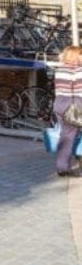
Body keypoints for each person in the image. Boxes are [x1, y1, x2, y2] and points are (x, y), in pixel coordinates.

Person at [52, 45, 82, 177]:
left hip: (59, 104)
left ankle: (62, 167)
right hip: (74, 105)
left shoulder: (60, 70)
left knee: (66, 136)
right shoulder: (79, 71)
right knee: (69, 136)